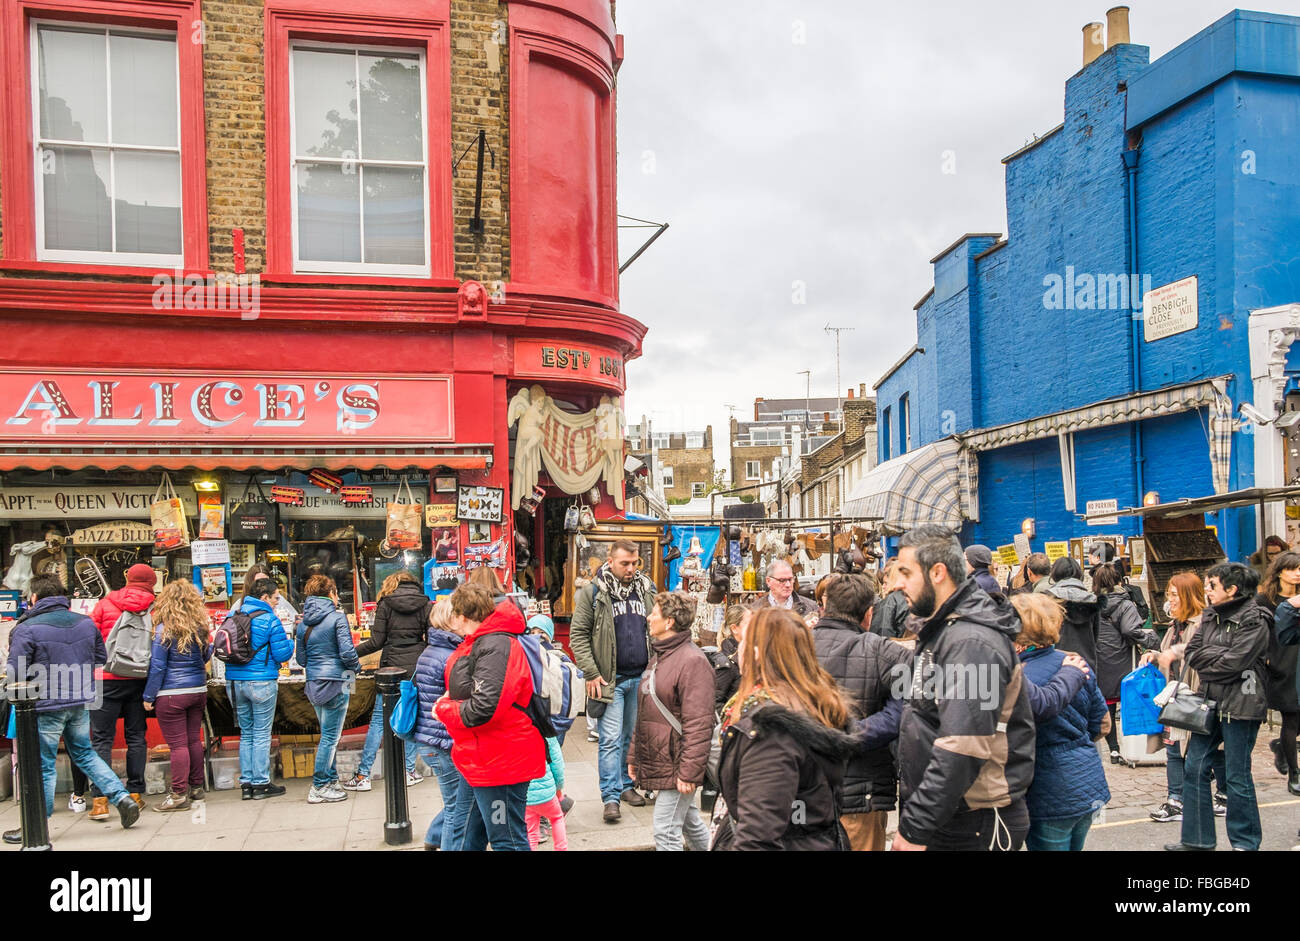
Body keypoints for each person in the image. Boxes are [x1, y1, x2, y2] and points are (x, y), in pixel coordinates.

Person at [891, 524, 1036, 852]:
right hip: (953, 815)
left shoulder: (971, 641)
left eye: (905, 572)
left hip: (972, 822)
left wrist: (915, 826)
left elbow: (962, 746)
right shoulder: (946, 631)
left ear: (938, 572)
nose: (897, 583)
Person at [3, 575, 141, 843]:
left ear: (34, 597)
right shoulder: (84, 622)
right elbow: (100, 658)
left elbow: (15, 671)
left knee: (43, 765)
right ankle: (122, 798)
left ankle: (36, 826)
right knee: (86, 754)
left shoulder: (27, 627)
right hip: (80, 699)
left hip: (45, 704)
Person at [711, 607, 857, 850]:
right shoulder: (810, 704)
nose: (739, 649)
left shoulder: (772, 731)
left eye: (746, 640)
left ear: (758, 653)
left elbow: (758, 838)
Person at [1164, 563, 1271, 851]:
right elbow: (1194, 653)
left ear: (1231, 589)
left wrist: (1212, 661)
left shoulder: (1255, 617)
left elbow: (1238, 662)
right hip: (1208, 700)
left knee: (1237, 775)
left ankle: (1245, 843)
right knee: (1194, 767)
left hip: (1242, 703)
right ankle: (1197, 840)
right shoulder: (1210, 615)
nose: (1207, 591)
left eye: (1211, 585)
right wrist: (1215, 659)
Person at [435, 584, 543, 851]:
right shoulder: (485, 641)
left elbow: (484, 708)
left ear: (461, 616)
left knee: (508, 840)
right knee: (467, 836)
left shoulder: (495, 645)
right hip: (482, 756)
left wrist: (444, 709)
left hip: (500, 759)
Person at [812, 574, 913, 851]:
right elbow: (905, 710)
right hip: (860, 796)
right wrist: (851, 734)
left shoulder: (794, 647)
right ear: (868, 614)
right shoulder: (883, 651)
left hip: (804, 789)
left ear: (825, 604)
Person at [1011, 593, 1110, 850]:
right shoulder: (1076, 663)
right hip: (1086, 779)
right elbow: (1102, 724)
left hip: (1047, 787)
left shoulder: (1017, 678)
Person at [569, 538, 654, 823]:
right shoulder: (593, 591)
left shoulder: (645, 588)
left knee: (630, 738)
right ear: (610, 560)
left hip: (640, 677)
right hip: (610, 679)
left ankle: (626, 786)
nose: (631, 569)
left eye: (634, 563)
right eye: (624, 563)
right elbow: (578, 635)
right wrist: (591, 673)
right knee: (610, 739)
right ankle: (610, 797)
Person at [628, 591, 715, 852]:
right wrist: (635, 755)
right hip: (664, 759)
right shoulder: (660, 658)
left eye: (654, 613)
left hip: (678, 762)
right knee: (690, 823)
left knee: (665, 831)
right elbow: (646, 713)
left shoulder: (693, 662)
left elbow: (699, 724)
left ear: (669, 622)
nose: (648, 617)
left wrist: (688, 771)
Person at [1142, 572, 1228, 822]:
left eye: (1173, 594)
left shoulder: (1202, 624)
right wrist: (1154, 655)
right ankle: (1175, 800)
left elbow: (1201, 659)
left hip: (1198, 696)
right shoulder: (1174, 625)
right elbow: (1169, 654)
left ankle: (1224, 794)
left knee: (1212, 750)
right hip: (1176, 696)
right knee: (1174, 749)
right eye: (1169, 594)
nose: (1169, 600)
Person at [344, 571, 430, 791]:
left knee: (378, 724)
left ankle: (363, 775)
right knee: (412, 718)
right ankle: (409, 771)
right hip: (416, 668)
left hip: (391, 667)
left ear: (392, 584)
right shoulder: (425, 603)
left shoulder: (386, 604)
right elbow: (430, 639)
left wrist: (352, 653)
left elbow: (376, 642)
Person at [86, 562, 156, 820]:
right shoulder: (154, 607)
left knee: (101, 740)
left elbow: (89, 637)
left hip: (103, 678)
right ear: (151, 583)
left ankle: (100, 800)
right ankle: (135, 794)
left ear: (128, 579)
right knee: (136, 737)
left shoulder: (105, 604)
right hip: (139, 678)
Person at [142, 580, 213, 812]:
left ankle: (179, 793)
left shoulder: (163, 629)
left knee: (178, 745)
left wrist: (148, 696)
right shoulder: (200, 628)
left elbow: (158, 667)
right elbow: (203, 658)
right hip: (197, 690)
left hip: (171, 694)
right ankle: (196, 787)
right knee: (194, 740)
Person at [225, 575, 293, 801]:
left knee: (246, 733)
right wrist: (292, 641)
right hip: (261, 682)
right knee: (262, 734)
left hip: (234, 682)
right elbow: (282, 654)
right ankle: (261, 783)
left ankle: (246, 784)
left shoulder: (233, 614)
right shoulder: (270, 619)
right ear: (264, 597)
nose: (277, 602)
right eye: (275, 598)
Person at [294, 575, 361, 804]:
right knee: (331, 738)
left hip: (314, 683)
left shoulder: (302, 624)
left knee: (327, 736)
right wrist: (357, 668)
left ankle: (331, 780)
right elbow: (347, 653)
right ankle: (320, 785)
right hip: (338, 680)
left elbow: (301, 660)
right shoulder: (338, 618)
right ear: (331, 593)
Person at [411, 597, 466, 850]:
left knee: (456, 800)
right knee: (457, 805)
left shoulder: (431, 649)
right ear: (451, 620)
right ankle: (445, 843)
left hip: (431, 740)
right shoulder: (449, 655)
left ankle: (434, 838)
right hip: (443, 741)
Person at [1093, 562, 1160, 763]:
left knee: (1108, 704)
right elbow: (1131, 630)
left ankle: (1113, 749)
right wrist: (1152, 640)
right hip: (1122, 657)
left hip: (1100, 658)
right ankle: (1134, 746)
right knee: (1129, 702)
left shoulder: (1091, 604)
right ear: (1118, 581)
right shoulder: (1125, 604)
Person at [1258, 552, 1300, 795]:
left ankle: (1280, 747)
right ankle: (1294, 773)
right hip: (1280, 662)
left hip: (1298, 660)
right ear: (1280, 571)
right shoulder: (1265, 600)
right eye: (1292, 568)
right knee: (1291, 718)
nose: (1296, 573)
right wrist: (1266, 657)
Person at [525, 613, 577, 745]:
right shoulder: (523, 657)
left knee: (554, 753)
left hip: (553, 716)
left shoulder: (560, 659)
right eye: (532, 632)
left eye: (541, 632)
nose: (536, 635)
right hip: (532, 717)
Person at [526, 735, 568, 851]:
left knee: (531, 830)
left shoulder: (515, 731)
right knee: (557, 818)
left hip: (525, 794)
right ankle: (561, 848)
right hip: (547, 792)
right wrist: (558, 787)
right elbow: (557, 764)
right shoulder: (545, 732)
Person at [747, 559, 818, 620]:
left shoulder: (811, 607)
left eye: (790, 579)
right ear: (768, 581)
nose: (788, 585)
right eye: (782, 580)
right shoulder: (755, 610)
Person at [709, 604, 746, 711]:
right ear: (734, 628)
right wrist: (732, 716)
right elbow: (713, 702)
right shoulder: (726, 662)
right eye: (749, 623)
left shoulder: (751, 652)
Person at [870, 560, 911, 639]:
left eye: (886, 583)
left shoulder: (891, 601)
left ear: (893, 579)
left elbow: (883, 634)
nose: (883, 587)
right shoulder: (916, 599)